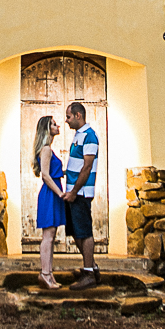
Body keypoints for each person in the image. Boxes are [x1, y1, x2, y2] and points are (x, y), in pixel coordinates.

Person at [62, 101, 100, 290]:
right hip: (73, 192)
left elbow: (87, 167)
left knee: (84, 232)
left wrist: (74, 192)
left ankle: (89, 274)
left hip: (81, 193)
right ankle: (91, 266)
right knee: (76, 232)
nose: (66, 120)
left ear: (78, 115)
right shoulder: (79, 135)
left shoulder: (89, 136)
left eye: (68, 116)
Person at [32, 115, 66, 289]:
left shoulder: (48, 149)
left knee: (51, 236)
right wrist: (60, 193)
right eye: (53, 124)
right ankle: (45, 274)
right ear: (47, 129)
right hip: (50, 194)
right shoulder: (46, 149)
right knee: (48, 237)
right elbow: (45, 175)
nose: (57, 126)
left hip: (52, 193)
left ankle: (49, 274)